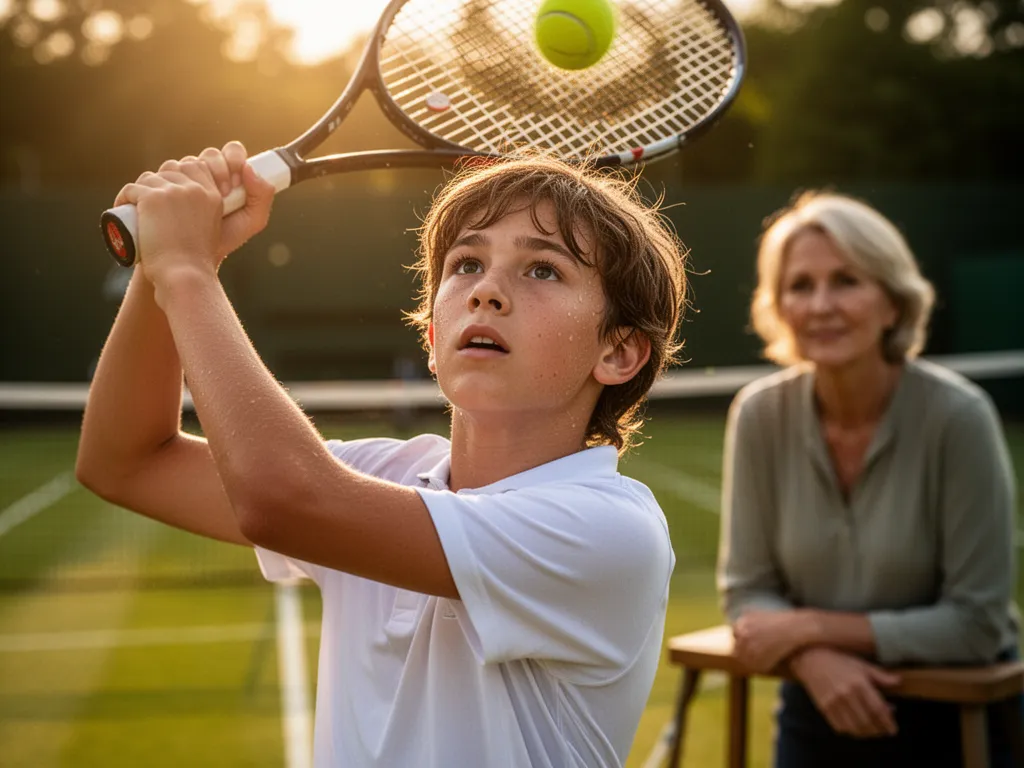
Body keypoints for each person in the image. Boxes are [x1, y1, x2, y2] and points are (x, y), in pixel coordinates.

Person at [75, 143, 688, 767]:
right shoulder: (377, 477)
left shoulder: (610, 531)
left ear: (619, 352)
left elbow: (282, 500)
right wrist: (156, 267)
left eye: (543, 271)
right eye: (466, 263)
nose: (487, 292)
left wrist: (188, 271)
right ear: (431, 334)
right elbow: (126, 461)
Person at [716, 190, 1021, 767]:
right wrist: (814, 661)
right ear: (777, 306)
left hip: (959, 722)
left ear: (893, 303)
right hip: (817, 712)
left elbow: (976, 623)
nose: (821, 304)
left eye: (847, 281)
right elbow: (747, 591)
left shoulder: (960, 418)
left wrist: (806, 628)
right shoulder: (758, 415)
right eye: (800, 286)